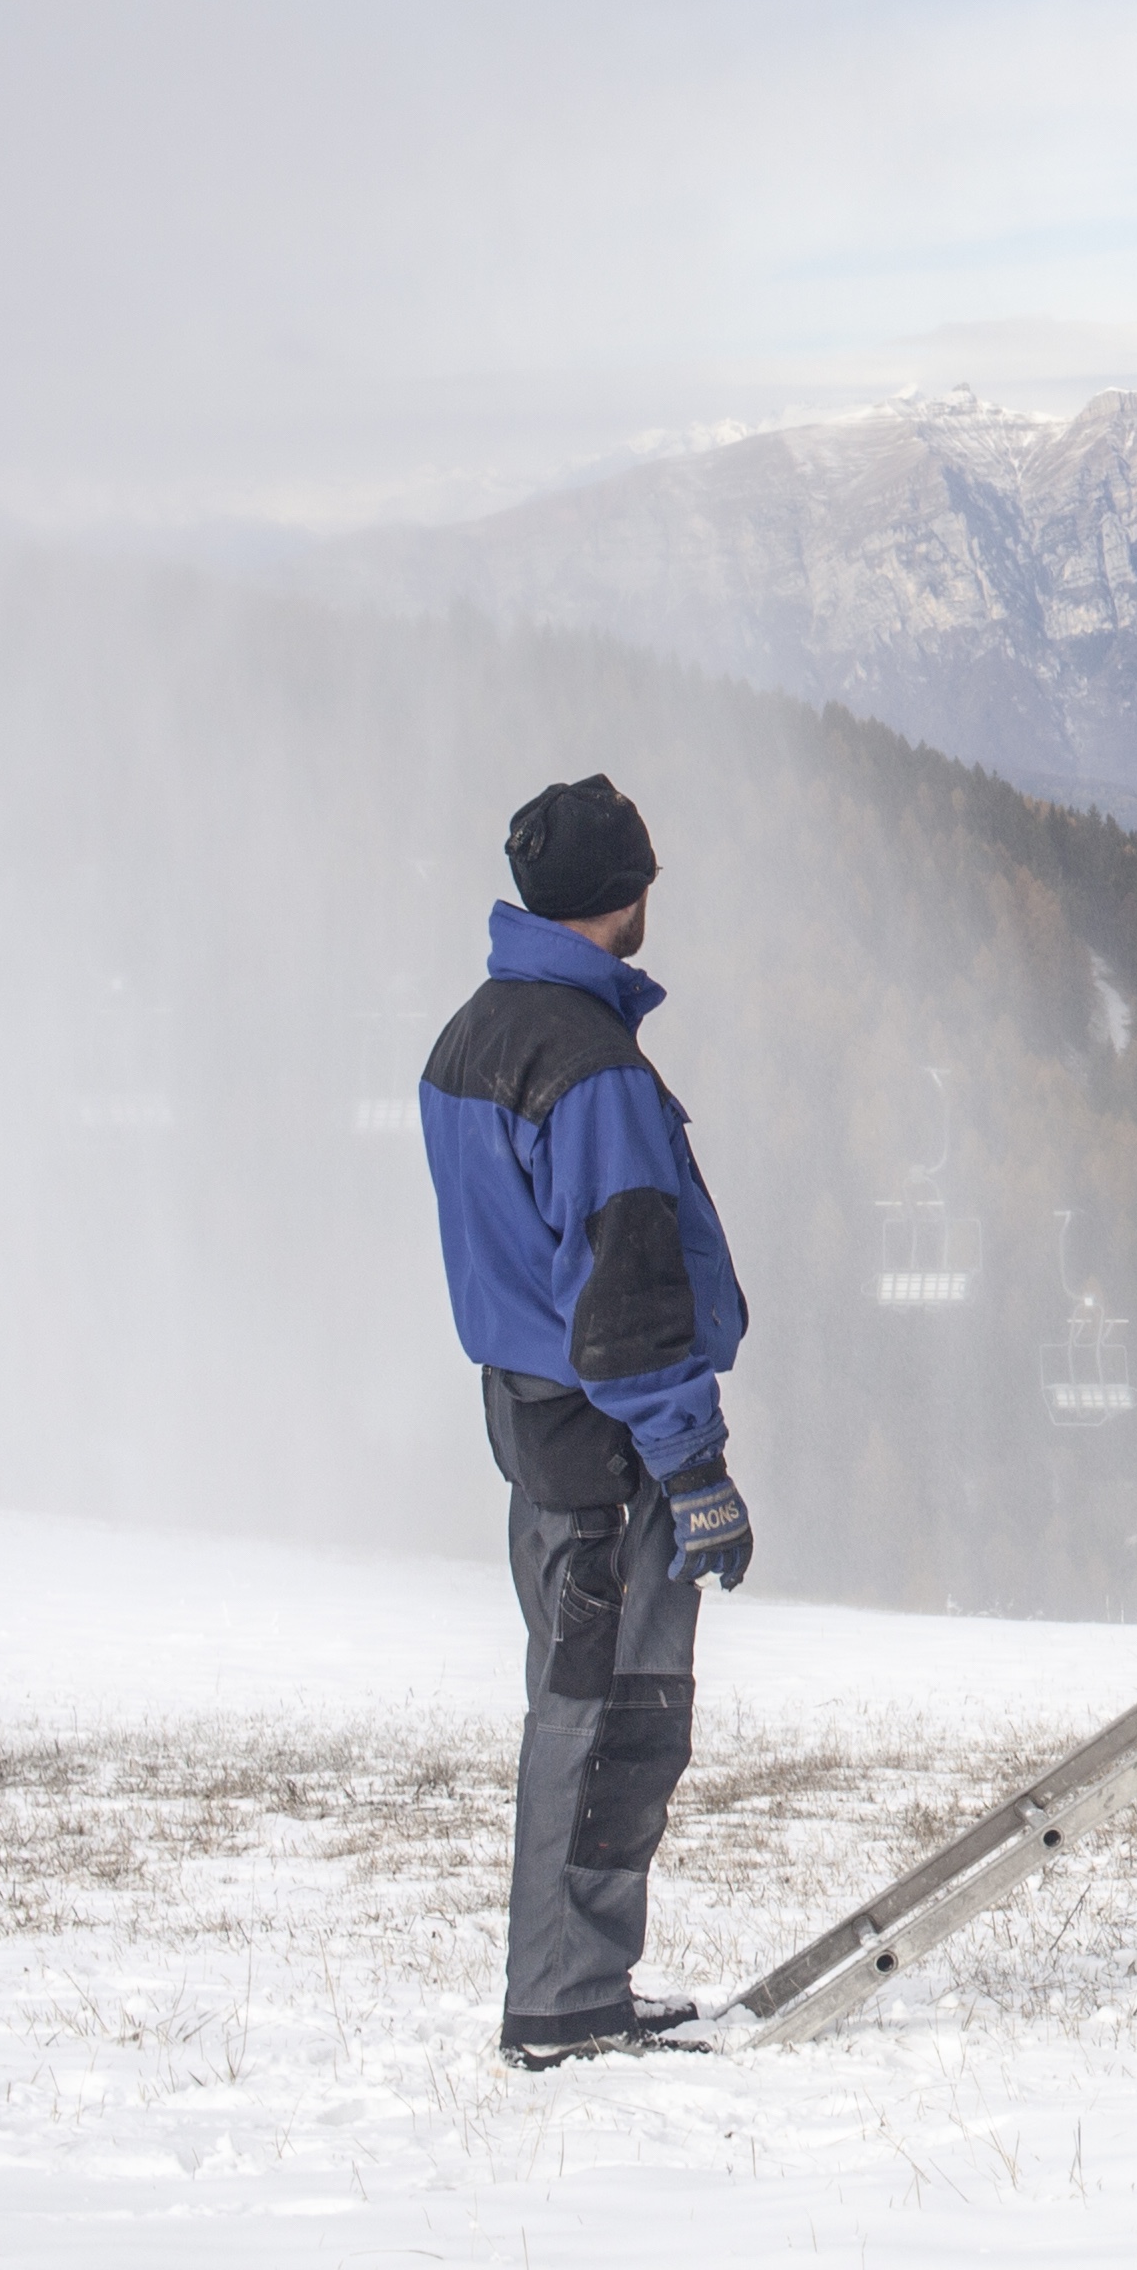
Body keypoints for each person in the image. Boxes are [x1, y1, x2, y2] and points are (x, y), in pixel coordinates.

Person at [419, 772, 753, 2065]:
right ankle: (562, 2002)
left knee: (593, 1699)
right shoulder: (592, 1065)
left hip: (535, 1421)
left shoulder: (476, 1035)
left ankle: (584, 1985)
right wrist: (693, 1464)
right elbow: (624, 1293)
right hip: (608, 1441)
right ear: (631, 895)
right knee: (611, 1709)